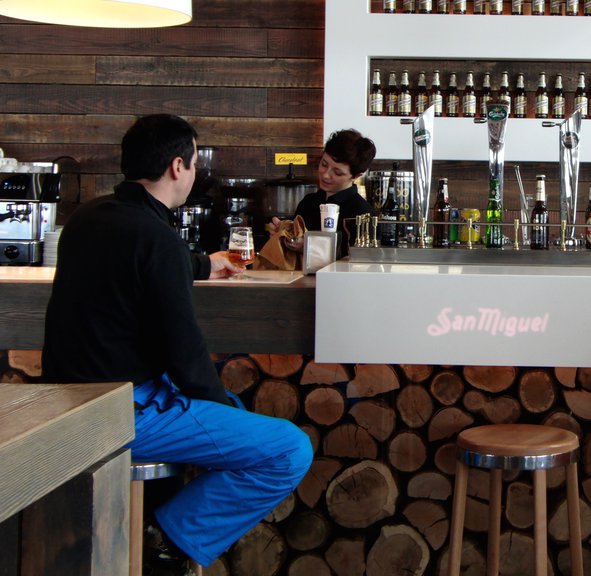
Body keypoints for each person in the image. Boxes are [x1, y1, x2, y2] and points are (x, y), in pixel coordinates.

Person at [41, 114, 313, 573]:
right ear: (176, 167)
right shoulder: (155, 239)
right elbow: (184, 353)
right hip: (122, 412)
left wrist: (203, 265)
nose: (193, 174)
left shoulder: (89, 218)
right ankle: (166, 542)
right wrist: (223, 413)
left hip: (69, 401)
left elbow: (141, 263)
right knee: (288, 449)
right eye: (192, 163)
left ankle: (160, 525)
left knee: (228, 412)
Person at [269, 128, 376, 259]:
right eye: (324, 164)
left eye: (337, 172)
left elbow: (361, 263)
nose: (325, 175)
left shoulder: (363, 213)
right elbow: (290, 256)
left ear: (356, 176)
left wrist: (310, 248)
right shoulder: (308, 202)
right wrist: (281, 236)